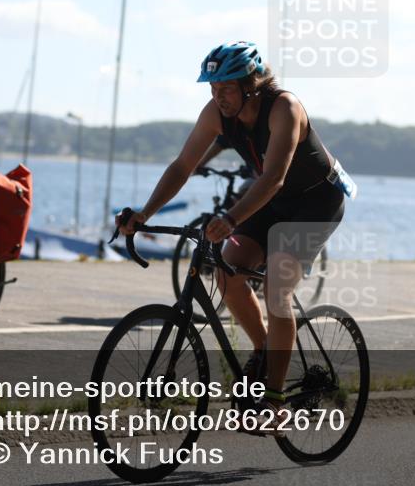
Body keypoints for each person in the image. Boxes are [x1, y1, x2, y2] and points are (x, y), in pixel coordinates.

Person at [118, 41, 353, 432]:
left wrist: (231, 217)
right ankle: (264, 352)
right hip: (270, 200)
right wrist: (144, 213)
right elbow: (182, 165)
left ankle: (275, 402)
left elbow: (275, 176)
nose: (217, 96)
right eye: (212, 87)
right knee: (226, 270)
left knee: (278, 287)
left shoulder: (285, 108)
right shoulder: (216, 113)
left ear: (252, 82)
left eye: (225, 87)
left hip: (314, 202)